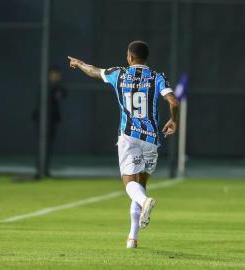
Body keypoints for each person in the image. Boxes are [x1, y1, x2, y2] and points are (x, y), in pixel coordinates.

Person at [68, 40, 179, 248]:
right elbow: (174, 101)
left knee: (130, 185)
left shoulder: (118, 73)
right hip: (151, 139)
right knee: (140, 187)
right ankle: (132, 238)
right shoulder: (157, 77)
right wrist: (174, 120)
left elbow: (93, 71)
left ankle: (145, 204)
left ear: (129, 57)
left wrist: (79, 64)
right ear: (146, 58)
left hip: (129, 137)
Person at [32, 67, 68, 177]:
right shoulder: (45, 86)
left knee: (48, 146)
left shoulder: (56, 87)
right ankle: (40, 170)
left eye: (58, 75)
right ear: (50, 75)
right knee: (42, 145)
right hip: (42, 120)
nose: (57, 77)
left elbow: (64, 94)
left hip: (51, 120)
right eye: (55, 74)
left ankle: (44, 169)